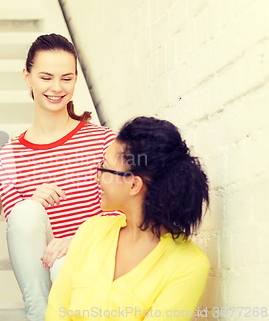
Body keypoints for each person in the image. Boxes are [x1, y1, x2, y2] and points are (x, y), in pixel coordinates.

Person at [0, 33, 118, 321]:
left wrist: (77, 241)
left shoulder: (102, 140)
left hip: (90, 264)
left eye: (67, 78)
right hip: (44, 273)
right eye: (46, 77)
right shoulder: (7, 155)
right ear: (27, 77)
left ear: (76, 79)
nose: (57, 88)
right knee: (25, 212)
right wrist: (34, 203)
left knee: (65, 264)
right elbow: (18, 227)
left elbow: (122, 214)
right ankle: (40, 314)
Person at [46, 116, 211, 321]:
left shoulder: (188, 265)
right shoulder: (92, 231)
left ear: (134, 185)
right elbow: (56, 311)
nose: (97, 177)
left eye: (104, 168)